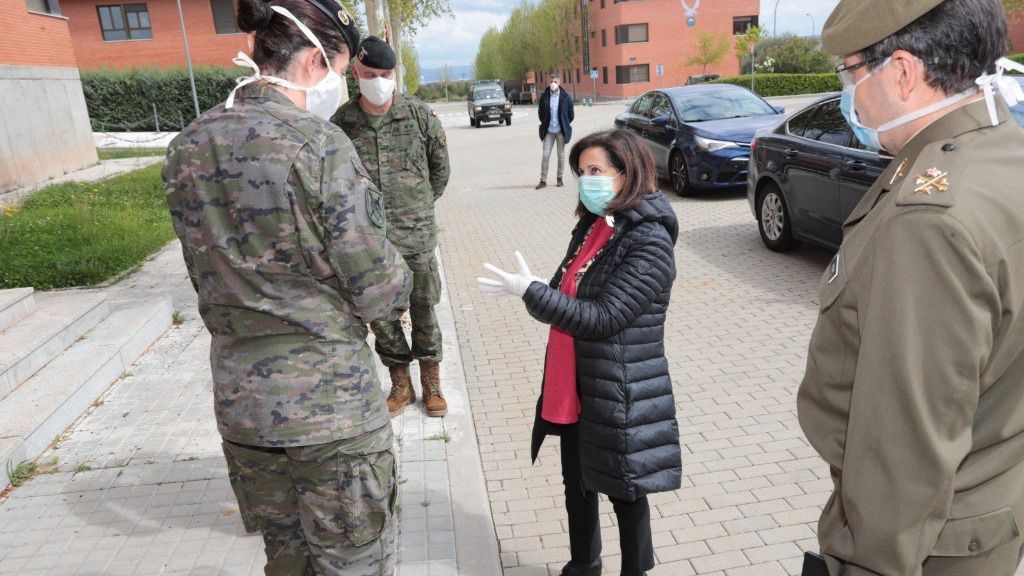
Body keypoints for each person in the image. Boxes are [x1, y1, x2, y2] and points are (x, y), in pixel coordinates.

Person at [162, 0, 412, 573]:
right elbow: (379, 291)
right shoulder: (319, 146)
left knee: (287, 562)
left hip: (244, 408)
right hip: (331, 411)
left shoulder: (187, 147)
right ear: (314, 63)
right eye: (341, 69)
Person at [797, 1, 1024, 574]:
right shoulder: (1004, 154)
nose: (849, 92)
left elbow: (902, 454)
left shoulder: (928, 219)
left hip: (927, 546)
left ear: (901, 72)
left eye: (850, 73)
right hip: (988, 510)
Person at [478, 129, 681, 576]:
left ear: (627, 173)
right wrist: (536, 292)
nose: (585, 180)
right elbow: (562, 296)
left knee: (624, 489)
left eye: (595, 171)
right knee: (578, 483)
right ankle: (584, 565)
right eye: (580, 172)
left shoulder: (650, 242)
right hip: (574, 381)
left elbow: (602, 318)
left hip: (619, 385)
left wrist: (532, 293)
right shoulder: (595, 225)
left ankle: (636, 571)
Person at [333, 37, 451, 418]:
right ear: (356, 73)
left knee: (424, 310)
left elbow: (440, 173)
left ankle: (433, 384)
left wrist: (413, 207)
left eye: (385, 74)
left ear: (394, 74)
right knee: (381, 317)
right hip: (368, 243)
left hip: (415, 236)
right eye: (370, 74)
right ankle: (401, 384)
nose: (379, 81)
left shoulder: (419, 117)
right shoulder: (342, 124)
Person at [535, 72, 575, 189]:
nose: (553, 84)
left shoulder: (565, 97)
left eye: (555, 82)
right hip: (549, 131)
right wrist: (545, 123)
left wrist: (564, 124)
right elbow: (541, 113)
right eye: (551, 82)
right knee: (545, 155)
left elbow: (571, 115)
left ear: (559, 82)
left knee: (561, 155)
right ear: (549, 82)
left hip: (560, 131)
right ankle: (543, 180)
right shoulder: (545, 96)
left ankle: (559, 179)